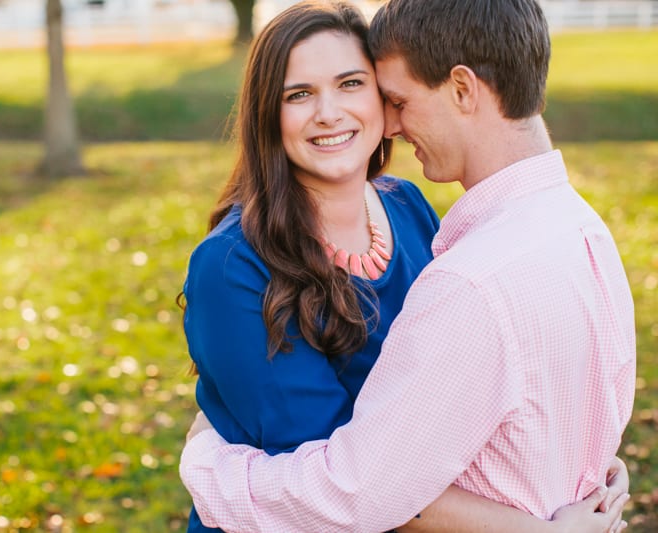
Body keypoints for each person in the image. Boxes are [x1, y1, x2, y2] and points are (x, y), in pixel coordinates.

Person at [179, 0, 637, 531]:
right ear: (268, 112)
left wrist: (582, 472)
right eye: (299, 94)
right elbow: (345, 488)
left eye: (353, 84)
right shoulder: (233, 265)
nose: (329, 111)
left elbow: (470, 406)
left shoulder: (408, 206)